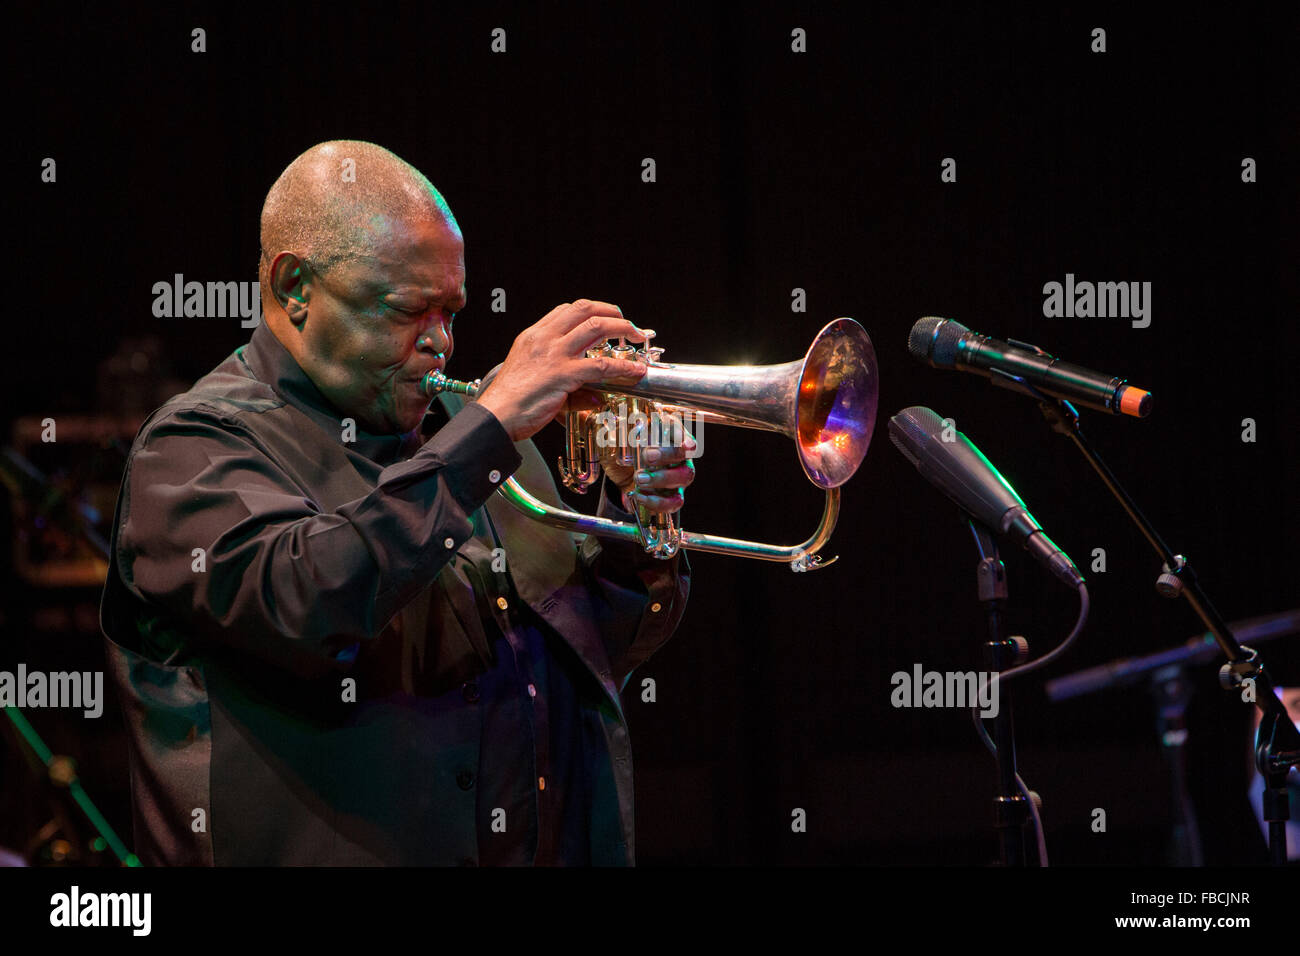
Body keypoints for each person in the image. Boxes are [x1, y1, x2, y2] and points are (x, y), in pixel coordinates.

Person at [100, 140, 694, 865]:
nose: (440, 343)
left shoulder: (465, 438)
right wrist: (490, 432)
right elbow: (311, 600)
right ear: (294, 287)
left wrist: (635, 517)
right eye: (410, 311)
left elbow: (592, 651)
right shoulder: (194, 450)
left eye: (452, 311)